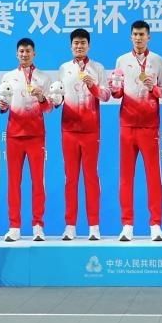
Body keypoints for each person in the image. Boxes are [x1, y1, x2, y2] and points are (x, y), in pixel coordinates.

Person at [111, 20, 162, 242]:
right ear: (130, 37)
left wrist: (153, 88)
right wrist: (115, 89)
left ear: (149, 37)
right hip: (127, 126)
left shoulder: (158, 61)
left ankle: (156, 224)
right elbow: (117, 93)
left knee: (153, 176)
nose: (138, 38)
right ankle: (127, 225)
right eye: (135, 34)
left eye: (142, 34)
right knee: (126, 177)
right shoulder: (122, 60)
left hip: (150, 126)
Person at [53, 28, 109, 241]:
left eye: (83, 43)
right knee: (71, 179)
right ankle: (70, 226)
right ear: (71, 46)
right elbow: (58, 97)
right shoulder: (64, 68)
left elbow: (106, 95)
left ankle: (94, 226)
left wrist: (92, 85)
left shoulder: (98, 68)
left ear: (89, 45)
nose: (79, 46)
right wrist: (55, 99)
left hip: (90, 130)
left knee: (91, 177)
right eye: (76, 43)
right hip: (69, 129)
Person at [0, 38, 51, 242]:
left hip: (36, 135)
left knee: (38, 182)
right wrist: (2, 105)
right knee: (14, 182)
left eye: (28, 51)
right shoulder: (8, 77)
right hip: (14, 135)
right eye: (21, 51)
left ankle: (38, 226)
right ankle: (14, 227)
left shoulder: (44, 78)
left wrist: (41, 98)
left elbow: (49, 108)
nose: (24, 54)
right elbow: (3, 106)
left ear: (34, 53)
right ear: (16, 54)